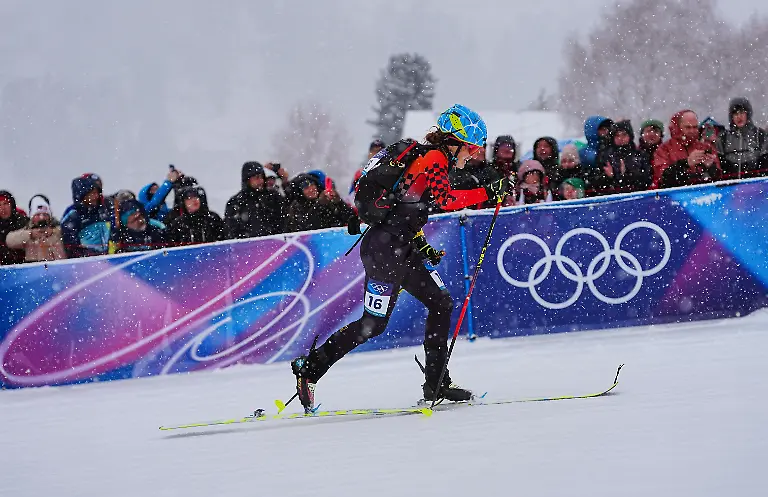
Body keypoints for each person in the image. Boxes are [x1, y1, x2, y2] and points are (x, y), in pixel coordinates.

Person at [290, 104, 508, 412]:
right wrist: (489, 191)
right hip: (385, 252)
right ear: (454, 141)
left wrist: (420, 244)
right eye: (470, 149)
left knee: (440, 302)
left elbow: (406, 210)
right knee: (372, 324)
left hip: (398, 247)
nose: (470, 156)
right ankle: (310, 368)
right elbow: (444, 199)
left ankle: (436, 383)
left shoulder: (429, 157)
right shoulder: (433, 157)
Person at [652, 109, 721, 189]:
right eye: (688, 127)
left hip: (705, 195)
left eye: (695, 127)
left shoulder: (705, 147)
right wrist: (686, 163)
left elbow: (719, 178)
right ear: (677, 127)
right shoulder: (663, 149)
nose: (692, 131)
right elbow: (663, 177)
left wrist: (711, 167)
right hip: (676, 197)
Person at [225, 162, 286, 238]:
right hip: (248, 248)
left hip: (275, 246)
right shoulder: (236, 203)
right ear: (247, 180)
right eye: (256, 178)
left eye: (261, 177)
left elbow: (284, 224)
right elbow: (232, 232)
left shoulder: (274, 197)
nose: (260, 181)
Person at [61, 176, 113, 258]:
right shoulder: (73, 215)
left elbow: (113, 233)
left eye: (96, 193)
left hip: (107, 258)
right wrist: (86, 256)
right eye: (91, 194)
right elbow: (70, 245)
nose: (95, 197)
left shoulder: (103, 210)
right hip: (86, 262)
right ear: (82, 196)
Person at [717, 97, 768, 179]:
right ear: (731, 117)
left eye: (741, 113)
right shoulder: (723, 137)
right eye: (735, 114)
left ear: (748, 114)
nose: (739, 117)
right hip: (731, 185)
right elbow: (720, 165)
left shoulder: (759, 135)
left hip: (756, 184)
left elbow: (764, 163)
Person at [5, 195, 66, 263]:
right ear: (32, 217)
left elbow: (67, 234)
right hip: (34, 269)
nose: (41, 218)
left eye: (45, 214)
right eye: (38, 215)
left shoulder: (58, 229)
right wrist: (30, 234)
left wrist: (54, 232)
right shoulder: (28, 229)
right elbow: (9, 241)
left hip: (58, 268)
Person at [0, 190, 29, 265]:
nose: (3, 208)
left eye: (5, 204)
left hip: (24, 266)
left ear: (11, 205)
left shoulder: (23, 221)